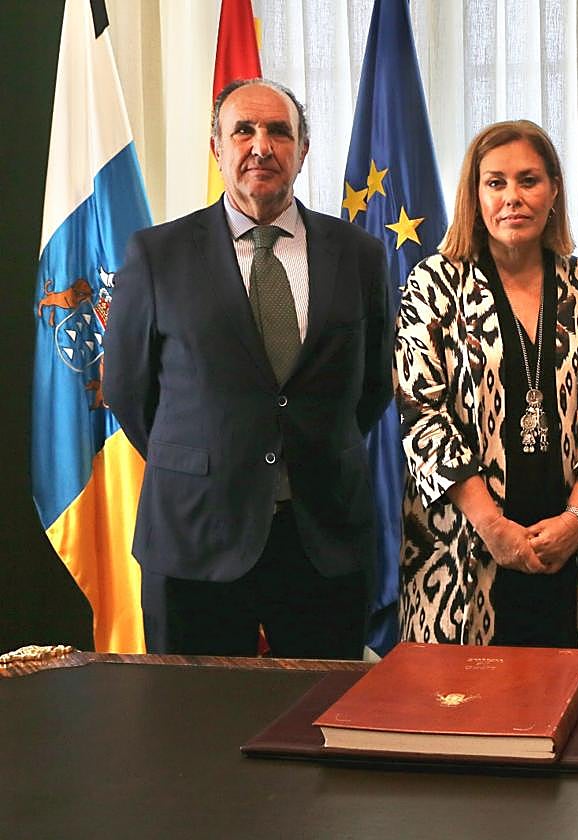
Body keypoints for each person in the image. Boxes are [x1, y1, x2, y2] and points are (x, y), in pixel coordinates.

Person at [105, 79, 392, 658]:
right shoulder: (156, 255)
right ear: (218, 147)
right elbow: (128, 392)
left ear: (302, 150)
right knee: (192, 728)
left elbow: (373, 386)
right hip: (195, 538)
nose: (261, 146)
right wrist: (211, 455)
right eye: (243, 130)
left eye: (279, 132)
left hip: (323, 537)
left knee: (320, 728)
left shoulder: (358, 254)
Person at [395, 120, 578, 666]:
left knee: (575, 717)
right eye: (495, 183)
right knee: (461, 719)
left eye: (528, 180)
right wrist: (494, 527)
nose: (512, 198)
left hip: (574, 547)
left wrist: (576, 521)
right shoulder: (433, 285)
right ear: (474, 195)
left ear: (553, 190)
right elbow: (421, 415)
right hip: (461, 548)